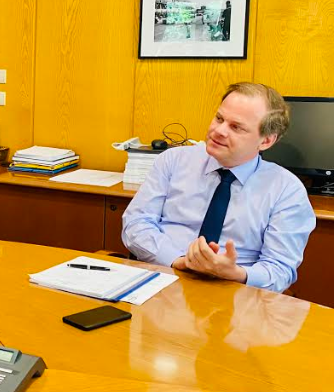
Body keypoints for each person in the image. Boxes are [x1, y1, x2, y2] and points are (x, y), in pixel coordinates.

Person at [122, 82, 315, 293]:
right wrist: (177, 260)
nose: (219, 131)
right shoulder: (173, 160)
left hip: (234, 294)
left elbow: (280, 269)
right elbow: (136, 223)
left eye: (236, 127)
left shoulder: (286, 190)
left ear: (266, 141)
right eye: (219, 118)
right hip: (163, 279)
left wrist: (237, 273)